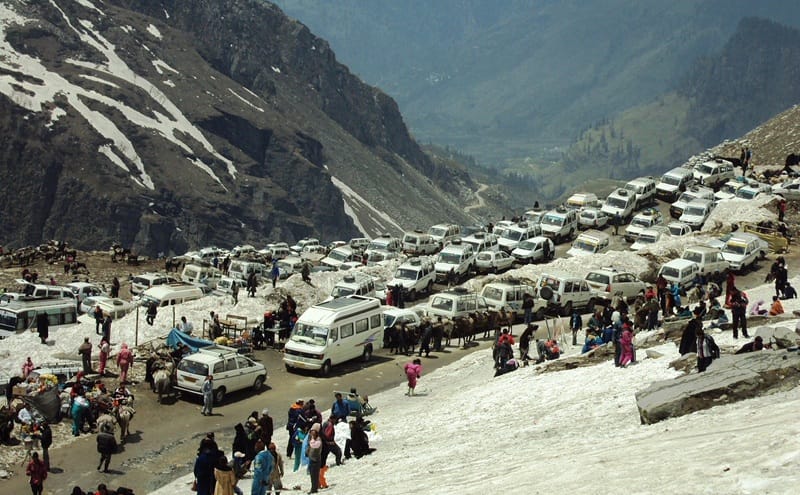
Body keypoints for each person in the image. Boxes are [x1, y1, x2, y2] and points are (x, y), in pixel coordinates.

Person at [306, 426, 322, 494]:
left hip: (316, 460)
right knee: (312, 475)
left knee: (315, 475)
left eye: (313, 433)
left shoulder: (318, 440)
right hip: (311, 459)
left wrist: (312, 438)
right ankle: (314, 488)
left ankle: (314, 489)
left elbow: (314, 446)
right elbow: (309, 447)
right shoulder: (312, 440)